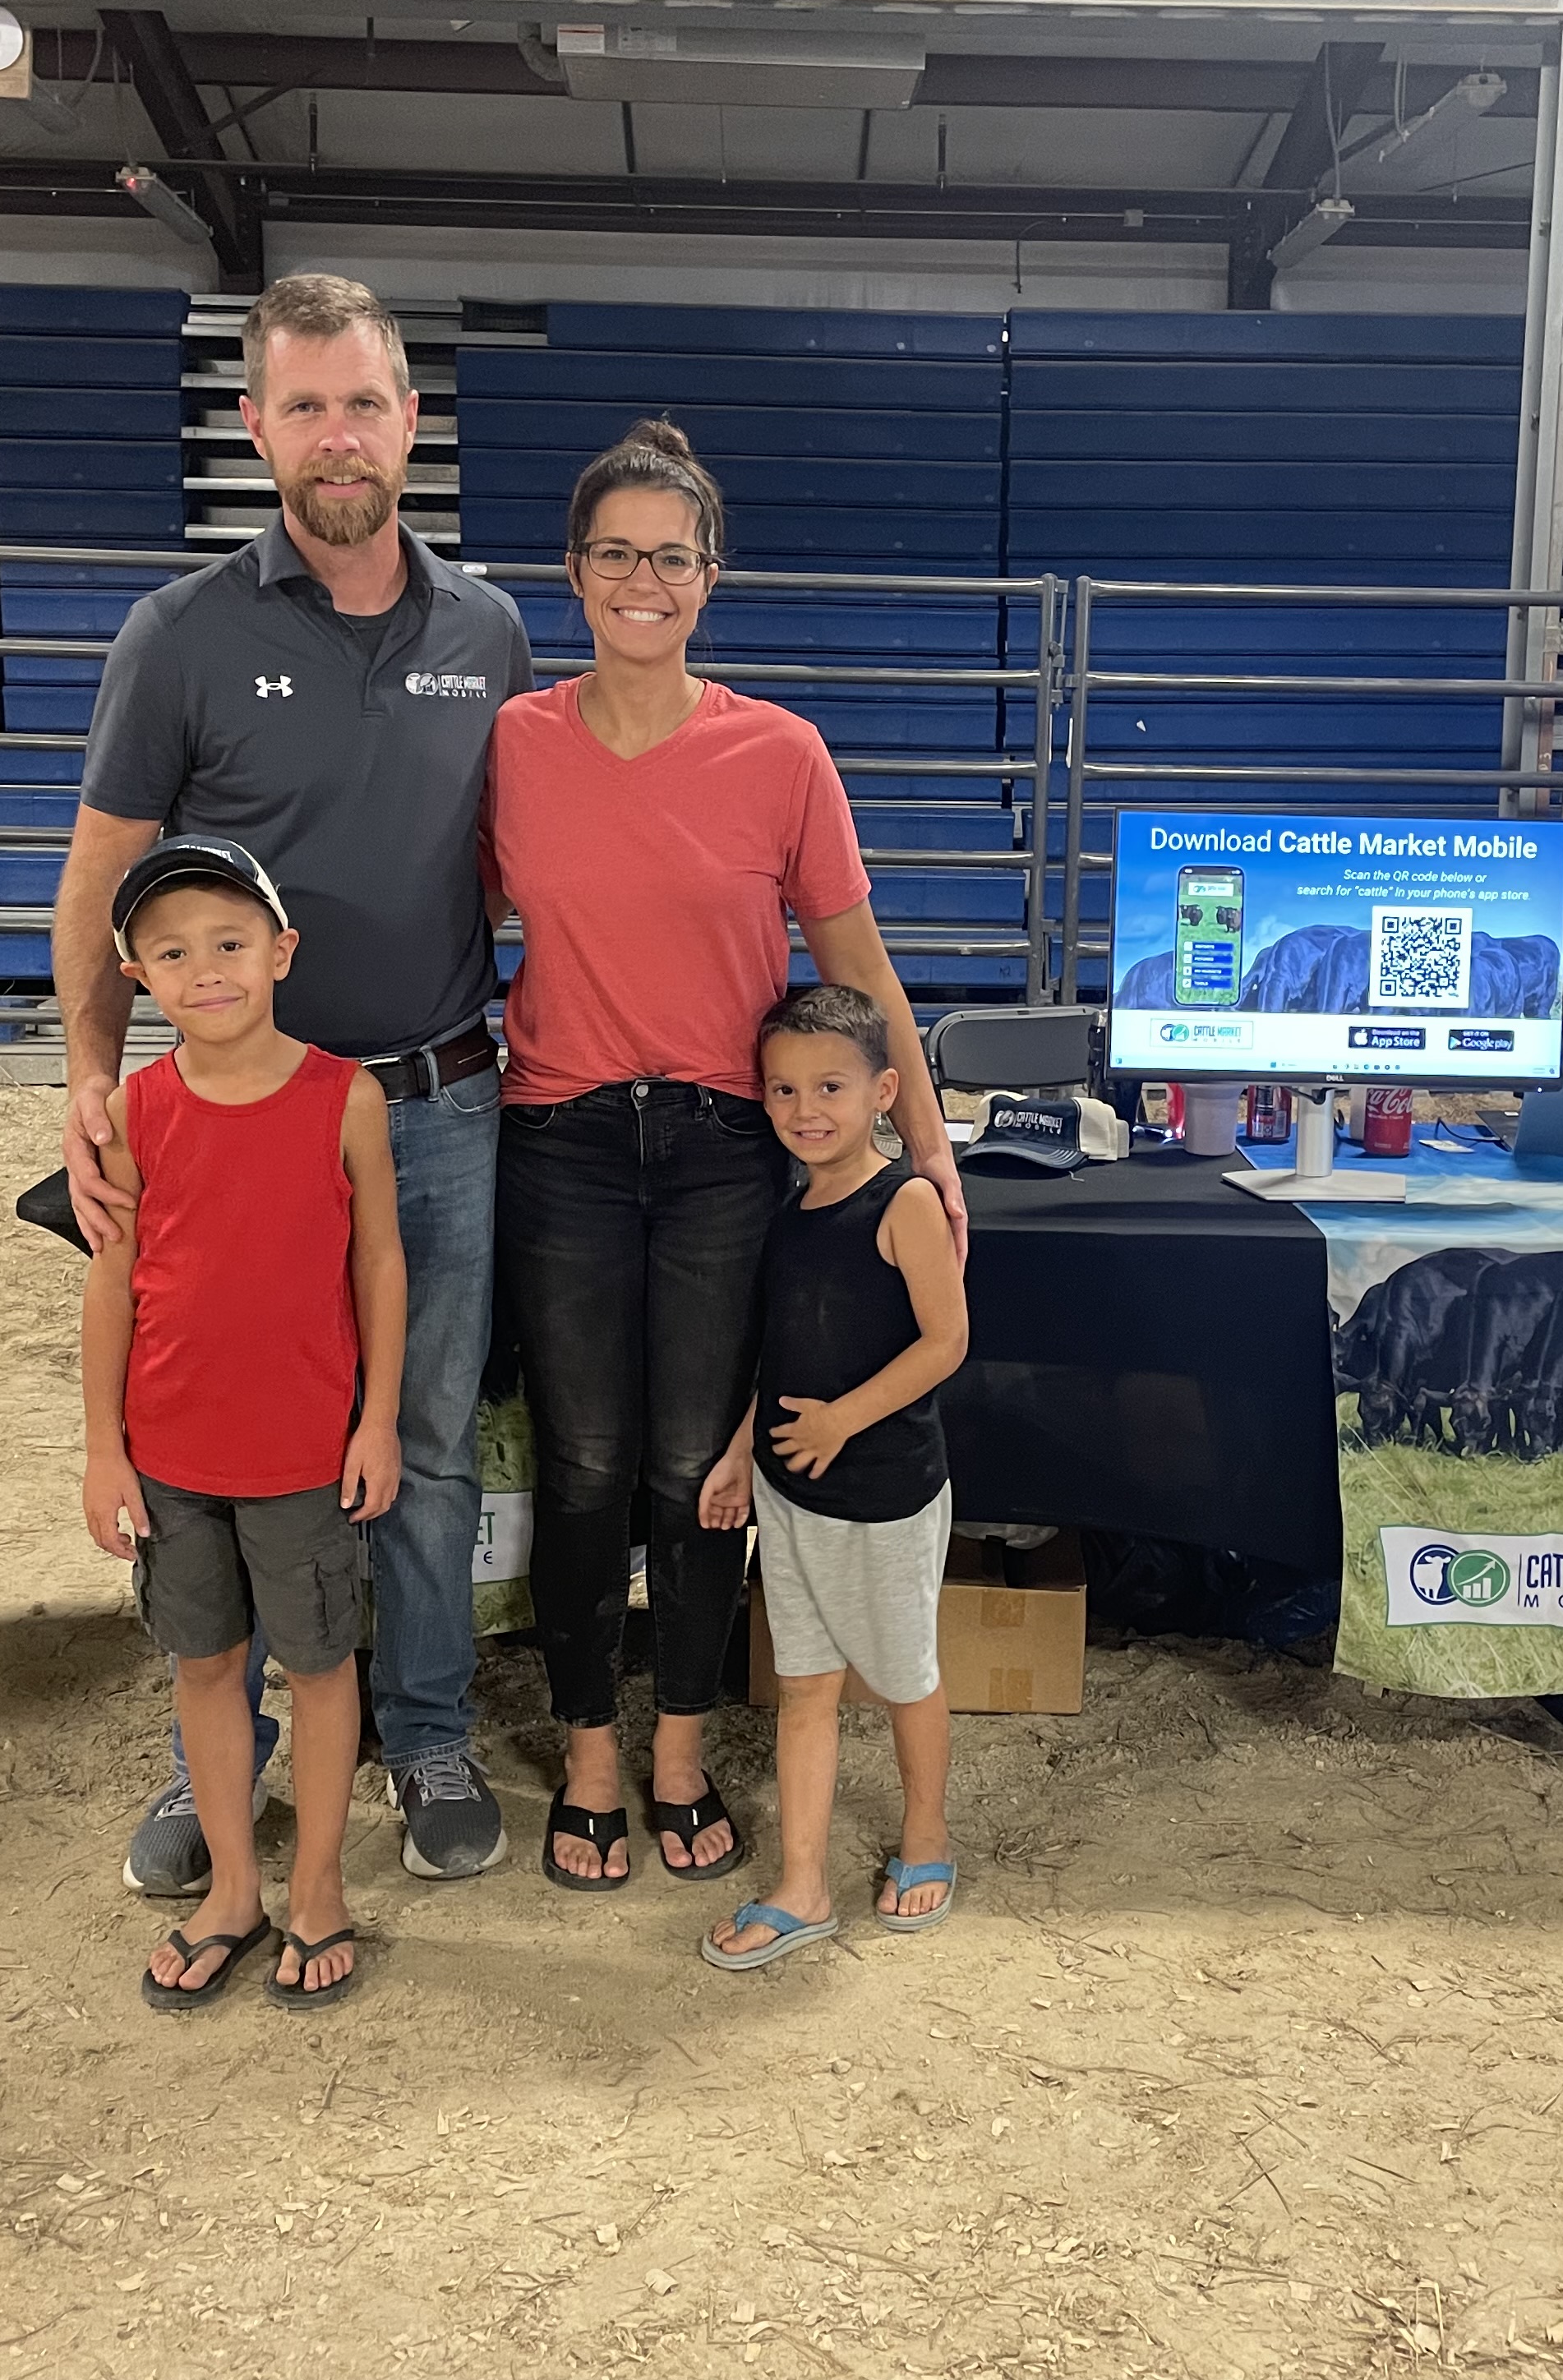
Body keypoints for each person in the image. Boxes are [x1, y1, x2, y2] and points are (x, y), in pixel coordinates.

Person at [55, 274, 524, 1892]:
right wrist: (91, 1078)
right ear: (257, 428)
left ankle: (429, 1728)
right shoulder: (180, 636)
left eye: (364, 402)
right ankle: (223, 1747)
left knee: (428, 1439)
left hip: (441, 1103)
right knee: (226, 1441)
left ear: (411, 421)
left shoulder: (489, 631)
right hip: (240, 1121)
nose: (339, 434)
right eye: (305, 405)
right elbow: (99, 877)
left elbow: (517, 860)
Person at [478, 420, 968, 1896]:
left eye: (671, 557)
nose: (644, 579)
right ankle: (589, 1754)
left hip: (717, 1149)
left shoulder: (779, 753)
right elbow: (438, 927)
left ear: (710, 577)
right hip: (560, 1137)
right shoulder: (513, 745)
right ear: (574, 572)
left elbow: (857, 964)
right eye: (615, 553)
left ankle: (680, 1751)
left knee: (699, 1468)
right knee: (581, 1465)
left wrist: (926, 1144)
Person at [81, 836, 397, 2011]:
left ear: (281, 952)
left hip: (305, 1456)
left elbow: (380, 1263)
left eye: (228, 943)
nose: (205, 970)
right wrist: (105, 1449)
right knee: (207, 1663)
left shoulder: (345, 1097)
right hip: (172, 1458)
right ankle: (232, 1888)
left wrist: (376, 1421)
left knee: (318, 1665)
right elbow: (113, 1283)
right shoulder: (134, 1110)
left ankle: (317, 1885)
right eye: (172, 954)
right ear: (137, 976)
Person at [693, 986, 970, 1969]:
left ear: (883, 1092)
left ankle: (928, 1835)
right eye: (783, 1089)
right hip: (788, 1494)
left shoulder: (905, 1204)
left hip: (884, 1498)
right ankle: (802, 1884)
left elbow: (946, 1341)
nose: (805, 1109)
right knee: (804, 1687)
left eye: (830, 1087)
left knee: (903, 1677)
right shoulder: (786, 1212)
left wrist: (845, 1420)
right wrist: (741, 1452)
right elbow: (773, 1356)